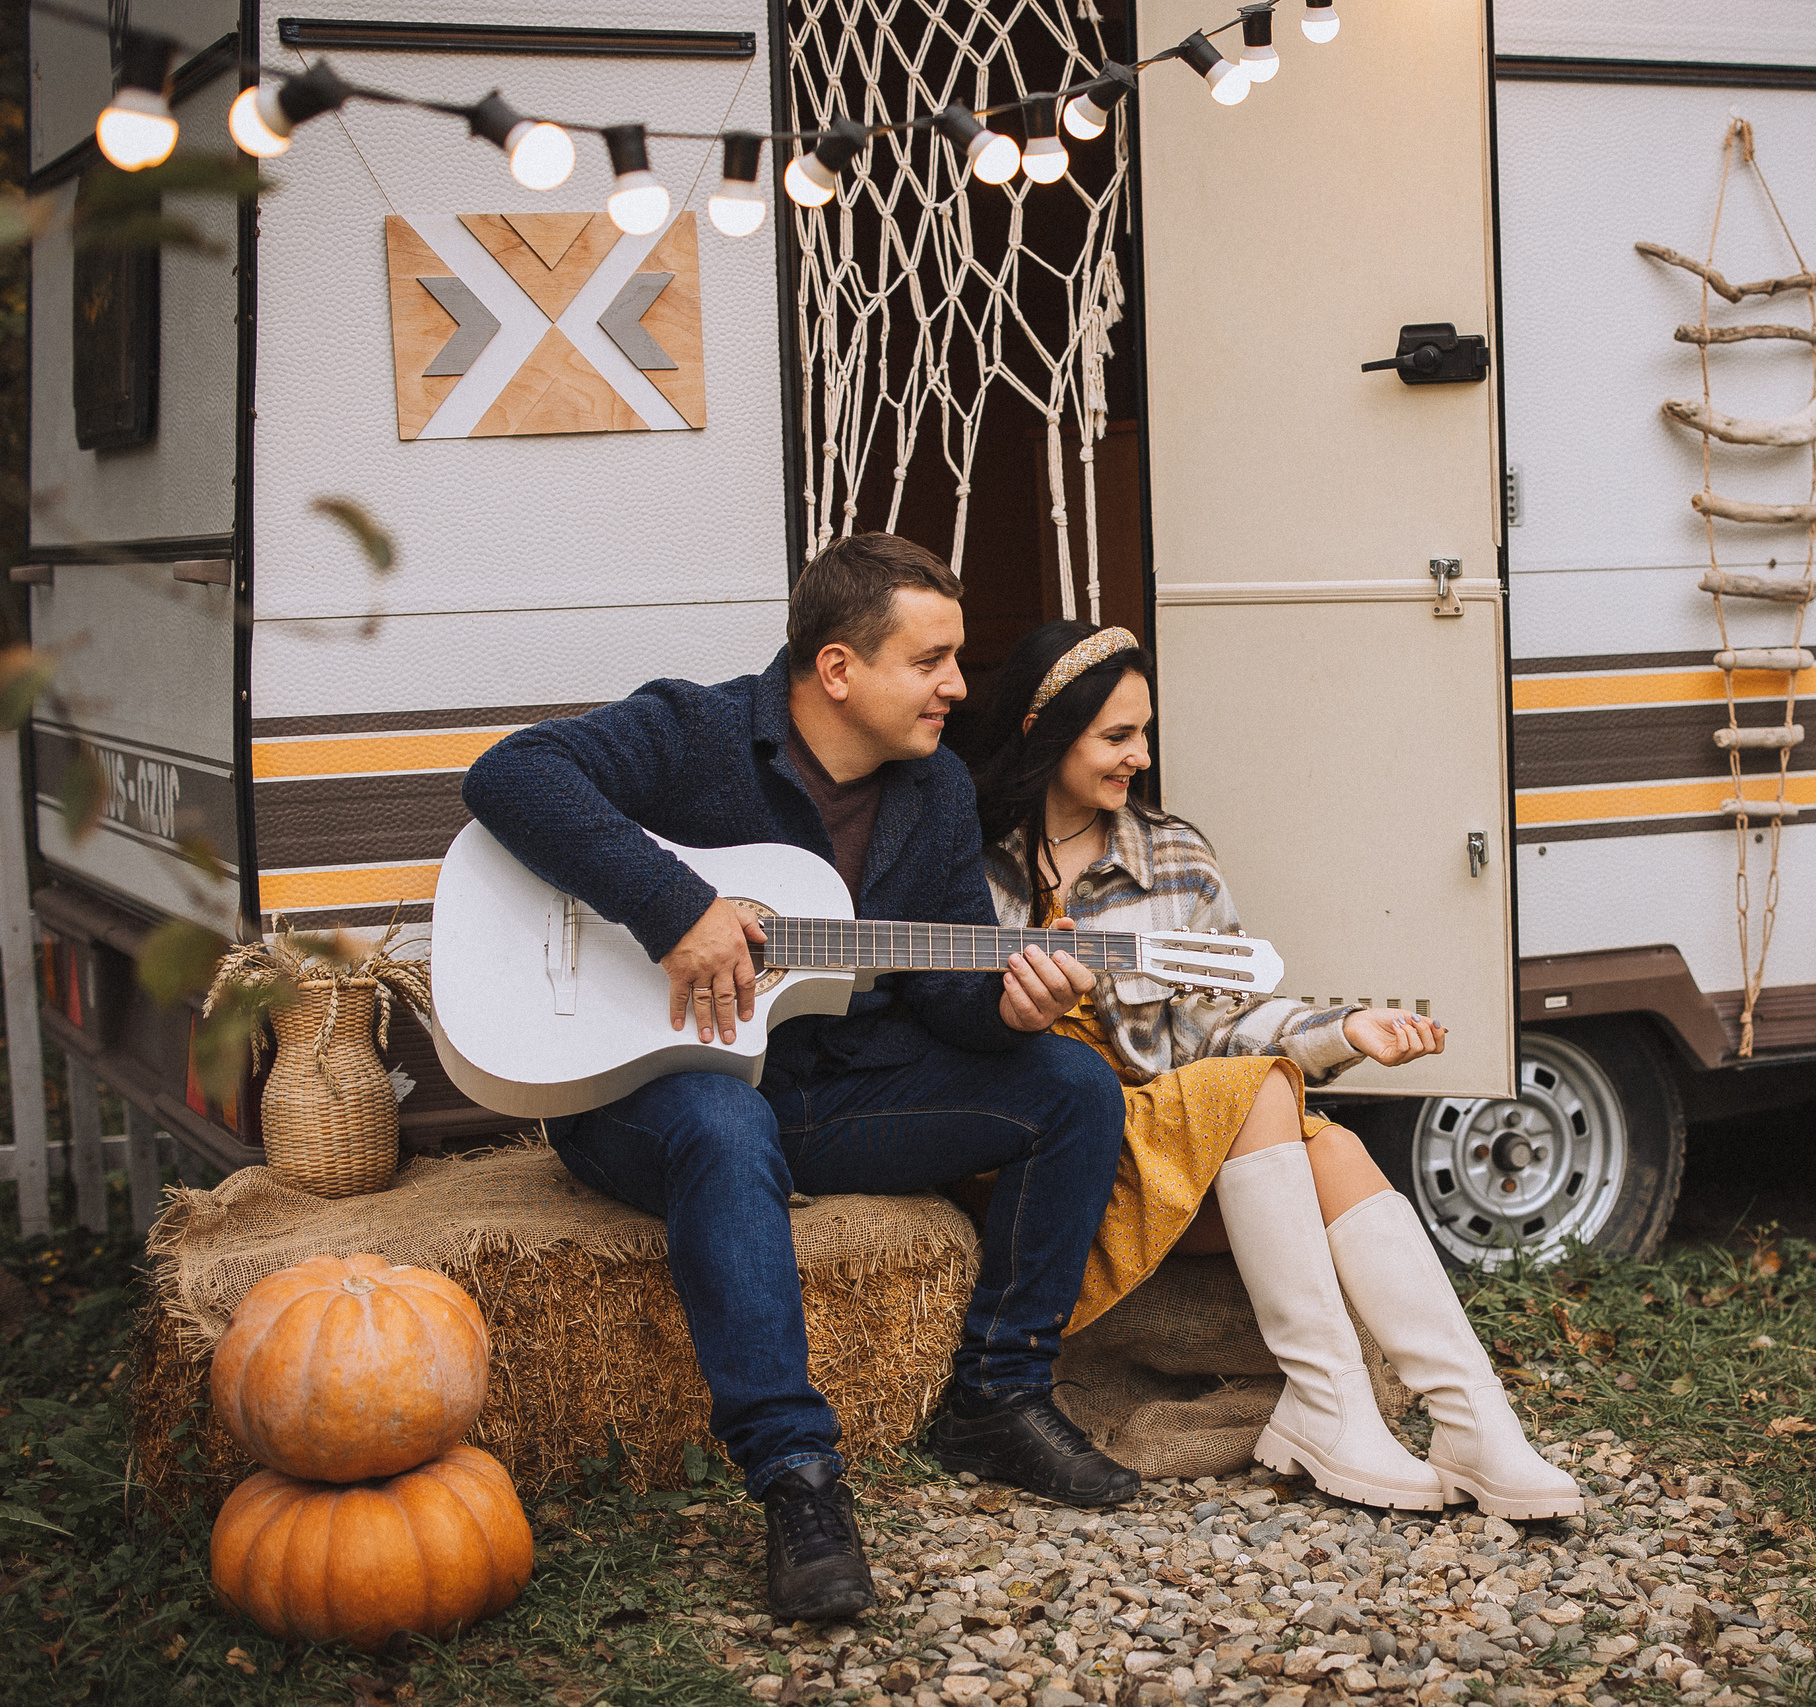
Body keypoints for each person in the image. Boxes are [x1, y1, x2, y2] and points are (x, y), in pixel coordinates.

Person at [461, 535, 1138, 1627]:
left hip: (836, 1093)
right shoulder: (697, 732)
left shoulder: (938, 794)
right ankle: (798, 1480)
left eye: (955, 660)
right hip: (652, 1093)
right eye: (932, 662)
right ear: (836, 669)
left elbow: (947, 987)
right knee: (727, 1125)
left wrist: (1013, 1004)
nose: (958, 688)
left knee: (1070, 1087)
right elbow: (509, 777)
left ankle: (998, 1393)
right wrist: (675, 907)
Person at [970, 620, 1584, 1520]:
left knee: (1306, 1130)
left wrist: (1346, 1028)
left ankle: (1468, 1418)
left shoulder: (1174, 856)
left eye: (1145, 732)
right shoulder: (970, 869)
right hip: (1065, 1153)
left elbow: (1226, 1028)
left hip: (1183, 1147)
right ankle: (1343, 1406)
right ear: (1045, 730)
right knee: (1262, 1100)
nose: (1140, 754)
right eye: (1115, 736)